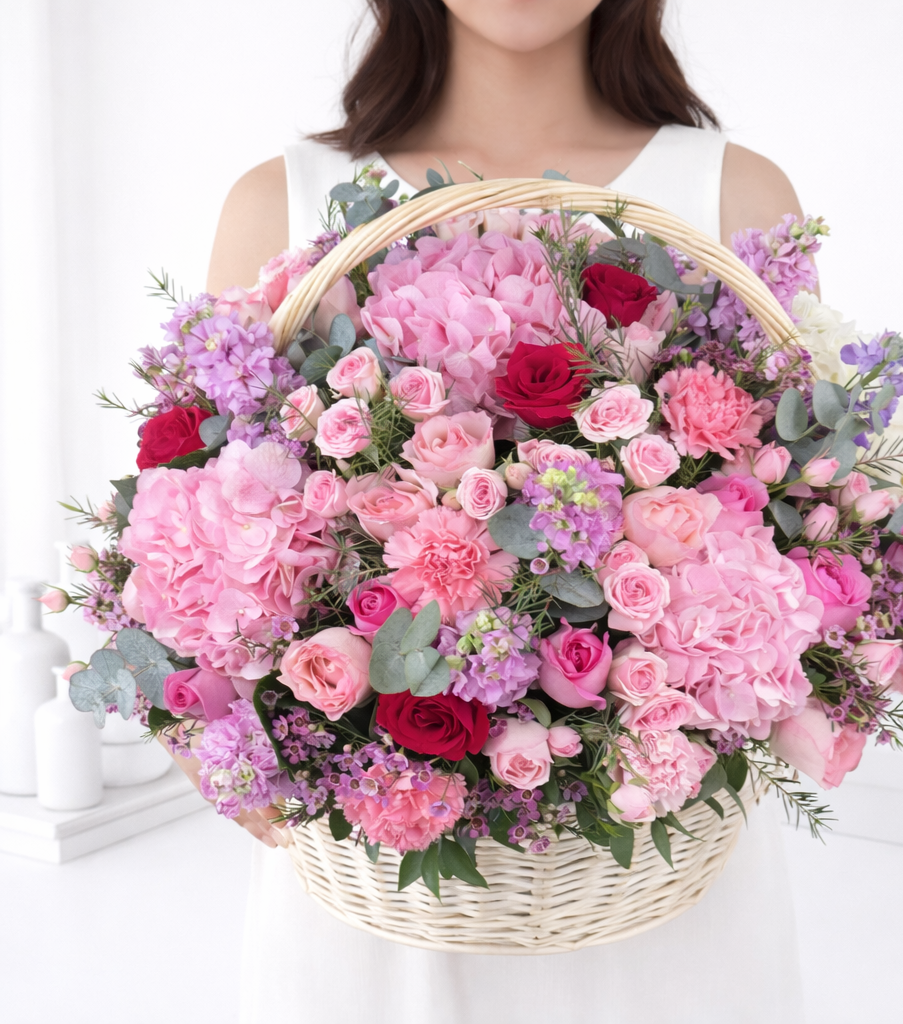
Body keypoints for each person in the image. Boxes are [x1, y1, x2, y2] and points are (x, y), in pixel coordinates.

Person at [193, 2, 808, 1020]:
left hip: (656, 870)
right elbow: (214, 527)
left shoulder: (729, 193)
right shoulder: (284, 201)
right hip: (378, 899)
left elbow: (804, 506)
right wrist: (204, 712)